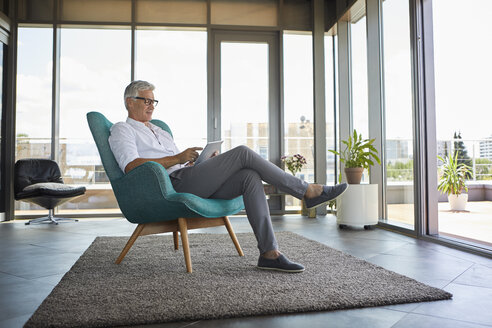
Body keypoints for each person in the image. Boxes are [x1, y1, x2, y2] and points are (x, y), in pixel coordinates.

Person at [109, 80, 348, 273]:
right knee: (243, 153)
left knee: (249, 176)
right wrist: (178, 158)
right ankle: (307, 191)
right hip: (172, 186)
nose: (151, 105)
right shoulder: (122, 129)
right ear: (130, 102)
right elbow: (131, 166)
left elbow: (178, 161)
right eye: (146, 101)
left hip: (188, 176)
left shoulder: (159, 129)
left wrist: (202, 163)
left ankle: (269, 254)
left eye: (154, 101)